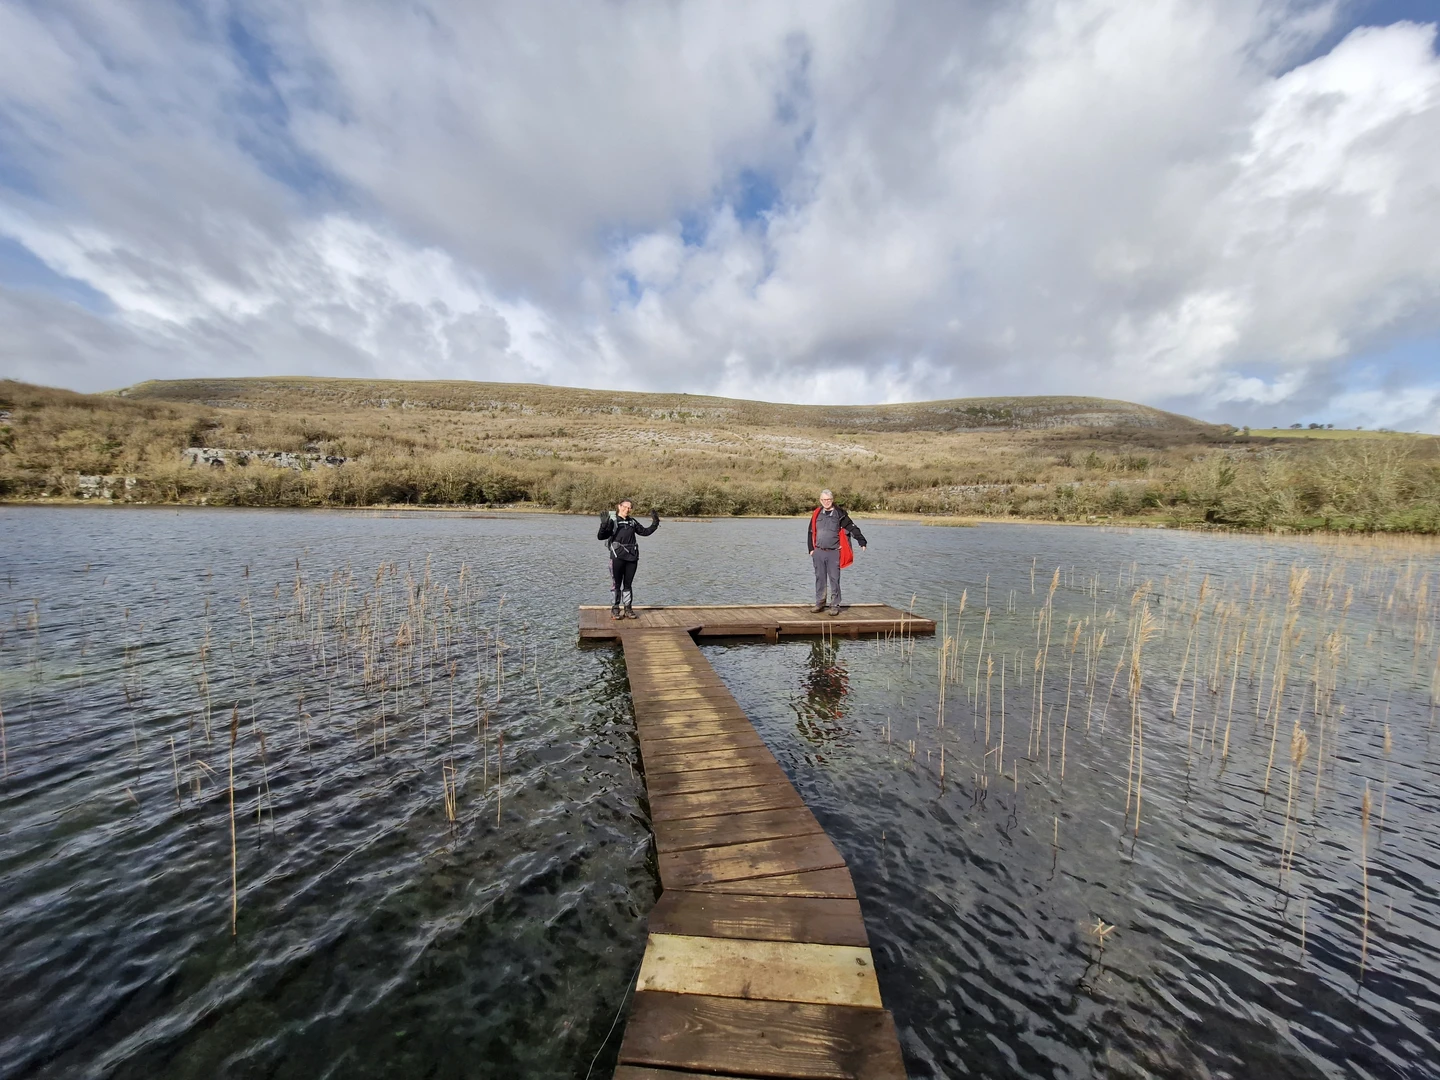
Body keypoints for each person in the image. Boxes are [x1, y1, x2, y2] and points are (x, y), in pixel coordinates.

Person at [805, 489, 867, 615]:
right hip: (818, 552)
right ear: (820, 500)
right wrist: (811, 549)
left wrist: (861, 541)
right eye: (823, 500)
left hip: (834, 552)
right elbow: (810, 531)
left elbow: (852, 527)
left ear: (832, 500)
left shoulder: (839, 513)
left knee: (834, 578)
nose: (826, 502)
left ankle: (834, 605)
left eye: (828, 500)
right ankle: (820, 603)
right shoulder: (817, 513)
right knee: (819, 578)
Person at [598, 499, 660, 619]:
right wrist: (603, 525)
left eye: (629, 507)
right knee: (616, 584)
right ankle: (615, 609)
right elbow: (601, 536)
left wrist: (655, 523)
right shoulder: (613, 521)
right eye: (625, 507)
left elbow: (645, 532)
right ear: (619, 506)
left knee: (628, 584)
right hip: (617, 557)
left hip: (632, 557)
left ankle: (628, 609)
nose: (627, 509)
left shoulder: (632, 522)